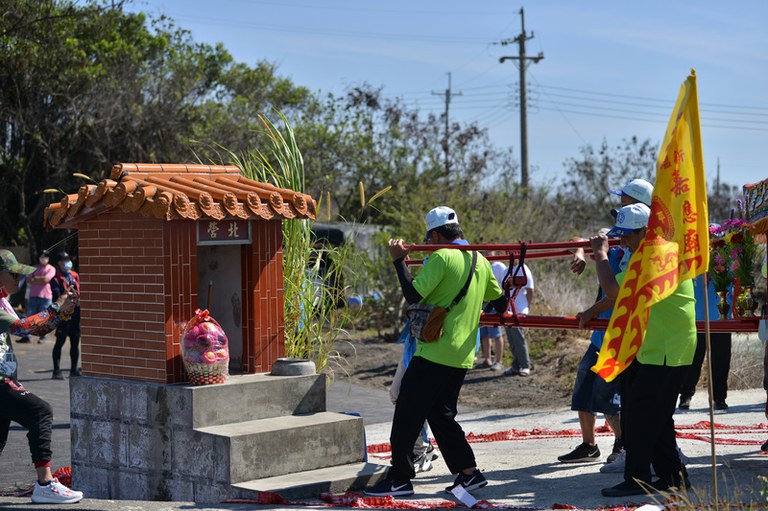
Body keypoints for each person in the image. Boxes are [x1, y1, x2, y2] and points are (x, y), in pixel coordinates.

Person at [364, 206, 507, 497]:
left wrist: (399, 262)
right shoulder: (479, 259)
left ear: (437, 233)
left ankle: (401, 478)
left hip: (435, 351)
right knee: (441, 415)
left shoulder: (442, 256)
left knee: (407, 413)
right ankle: (469, 473)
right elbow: (500, 302)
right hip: (464, 353)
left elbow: (414, 294)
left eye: (429, 236)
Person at [581, 204, 695, 497]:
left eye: (628, 236)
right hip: (655, 348)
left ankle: (638, 478)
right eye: (619, 237)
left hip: (666, 349)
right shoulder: (654, 252)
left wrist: (601, 254)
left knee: (639, 418)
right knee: (655, 417)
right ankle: (673, 477)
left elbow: (614, 290)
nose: (623, 242)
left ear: (646, 231)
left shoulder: (655, 256)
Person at [0, 249, 83, 504]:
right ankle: (45, 484)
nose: (18, 278)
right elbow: (25, 327)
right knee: (41, 412)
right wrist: (57, 306)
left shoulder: (3, 300)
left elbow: (39, 327)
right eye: (13, 273)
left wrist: (63, 310)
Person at [558, 227, 624, 466]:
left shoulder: (621, 252)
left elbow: (614, 295)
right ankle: (589, 445)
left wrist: (588, 313)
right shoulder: (604, 244)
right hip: (599, 338)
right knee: (584, 391)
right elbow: (574, 239)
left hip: (617, 338)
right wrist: (580, 252)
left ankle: (621, 443)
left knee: (607, 396)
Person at [678, 273, 732, 411]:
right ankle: (685, 395)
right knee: (692, 358)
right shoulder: (694, 255)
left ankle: (719, 397)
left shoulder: (726, 256)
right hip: (696, 315)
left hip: (721, 316)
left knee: (721, 358)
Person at [50, 252, 81, 380]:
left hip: (76, 314)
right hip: (63, 314)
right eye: (65, 260)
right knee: (60, 341)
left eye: (68, 259)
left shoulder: (74, 275)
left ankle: (74, 370)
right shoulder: (55, 279)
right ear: (59, 263)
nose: (68, 262)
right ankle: (56, 370)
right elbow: (57, 296)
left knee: (75, 342)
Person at [18, 251, 56, 345]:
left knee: (44, 318)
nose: (44, 259)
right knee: (30, 317)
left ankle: (43, 337)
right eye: (42, 257)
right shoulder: (34, 267)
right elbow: (29, 279)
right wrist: (41, 279)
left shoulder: (51, 268)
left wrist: (35, 279)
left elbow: (47, 279)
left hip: (46, 297)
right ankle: (27, 336)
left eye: (46, 257)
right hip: (33, 296)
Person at [503, 261, 534, 377]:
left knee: (519, 339)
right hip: (508, 310)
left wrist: (527, 305)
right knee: (512, 340)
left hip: (519, 310)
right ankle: (516, 365)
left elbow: (530, 289)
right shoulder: (506, 270)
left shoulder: (524, 269)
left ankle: (526, 366)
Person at [478, 252, 507, 371]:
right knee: (484, 333)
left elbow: (503, 284)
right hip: (483, 302)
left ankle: (499, 361)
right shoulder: (482, 264)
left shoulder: (499, 266)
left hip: (495, 301)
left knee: (496, 333)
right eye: (485, 252)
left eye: (489, 251)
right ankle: (487, 358)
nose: (487, 254)